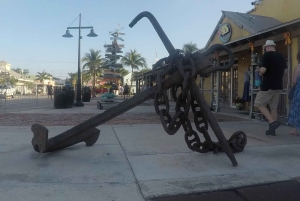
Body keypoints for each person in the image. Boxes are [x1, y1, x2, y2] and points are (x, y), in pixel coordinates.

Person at [254, 40, 287, 136]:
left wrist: (259, 71)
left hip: (268, 85)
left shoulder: (266, 55)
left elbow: (263, 70)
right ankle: (272, 130)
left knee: (259, 104)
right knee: (273, 107)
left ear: (267, 47)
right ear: (274, 46)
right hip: (278, 85)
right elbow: (285, 72)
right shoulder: (281, 56)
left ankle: (272, 123)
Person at [288, 52, 300, 136]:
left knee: (297, 109)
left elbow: (294, 81)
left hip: (298, 92)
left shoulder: (298, 67)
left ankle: (295, 130)